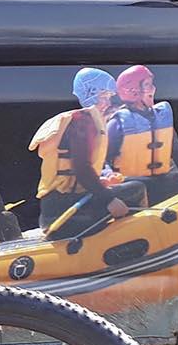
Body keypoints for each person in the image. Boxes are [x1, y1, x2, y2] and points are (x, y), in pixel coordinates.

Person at [29, 68, 135, 238]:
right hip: (65, 211)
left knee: (126, 187)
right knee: (135, 190)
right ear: (90, 94)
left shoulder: (83, 120)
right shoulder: (82, 123)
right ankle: (128, 246)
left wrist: (99, 182)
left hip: (56, 206)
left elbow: (79, 171)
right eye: (104, 96)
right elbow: (81, 168)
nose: (108, 102)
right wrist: (108, 198)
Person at [105, 64, 178, 204]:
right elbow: (102, 159)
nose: (153, 88)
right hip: (133, 183)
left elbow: (175, 148)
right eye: (147, 85)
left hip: (162, 180)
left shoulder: (162, 117)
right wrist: (109, 175)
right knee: (137, 187)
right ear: (132, 91)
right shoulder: (117, 123)